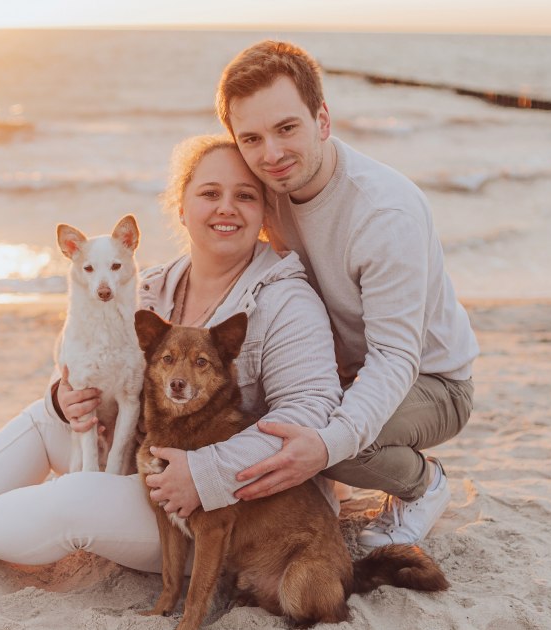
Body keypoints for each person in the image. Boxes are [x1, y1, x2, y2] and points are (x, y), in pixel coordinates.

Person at [0, 135, 344, 568]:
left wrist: (206, 472)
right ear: (181, 208)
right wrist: (67, 400)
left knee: (76, 501)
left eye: (244, 195)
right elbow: (98, 367)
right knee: (43, 417)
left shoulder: (285, 298)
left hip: (223, 514)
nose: (226, 207)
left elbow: (310, 414)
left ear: (265, 211)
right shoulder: (147, 287)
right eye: (209, 193)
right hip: (139, 465)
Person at [203, 40, 479, 547]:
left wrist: (326, 445)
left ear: (322, 120)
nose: (272, 154)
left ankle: (424, 483)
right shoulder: (268, 189)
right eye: (252, 139)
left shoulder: (382, 215)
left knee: (337, 445)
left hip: (431, 378)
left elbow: (396, 357)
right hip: (344, 366)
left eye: (287, 129)